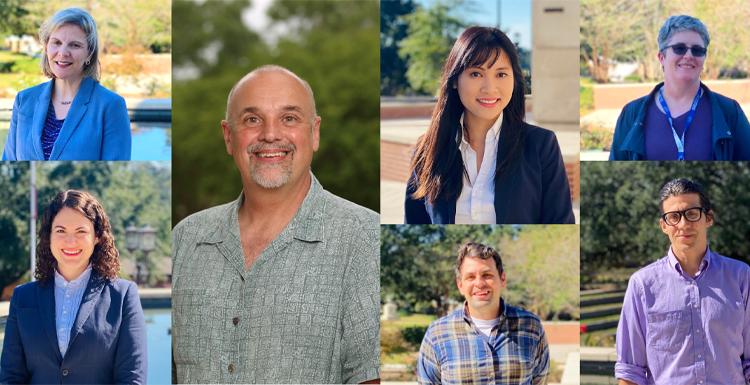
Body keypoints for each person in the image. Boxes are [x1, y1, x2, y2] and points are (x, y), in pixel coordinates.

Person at [171, 65, 380, 384]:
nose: (270, 134)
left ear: (315, 132)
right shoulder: (184, 240)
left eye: (289, 118)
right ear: (229, 136)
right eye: (252, 119)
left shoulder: (365, 238)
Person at [404, 26, 574, 224]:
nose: (490, 88)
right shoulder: (427, 151)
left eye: (501, 74)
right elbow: (414, 222)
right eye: (476, 74)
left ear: (515, 80)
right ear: (454, 81)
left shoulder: (541, 145)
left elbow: (561, 223)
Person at [0, 190, 147, 384]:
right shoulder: (23, 297)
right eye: (60, 231)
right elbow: (10, 377)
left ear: (97, 237)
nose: (70, 241)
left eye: (81, 231)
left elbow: (132, 377)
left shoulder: (123, 296)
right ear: (49, 236)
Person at [615, 178, 750, 385]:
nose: (684, 224)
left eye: (692, 214)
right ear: (663, 226)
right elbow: (630, 371)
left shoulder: (741, 276)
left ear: (709, 218)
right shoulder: (642, 285)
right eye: (674, 217)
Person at [609, 15, 750, 160]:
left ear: (704, 58)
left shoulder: (730, 112)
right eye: (679, 48)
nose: (689, 55)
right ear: (661, 57)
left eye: (697, 50)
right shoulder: (631, 114)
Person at [2, 7, 131, 161]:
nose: (63, 52)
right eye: (56, 42)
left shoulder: (111, 106)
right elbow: (9, 161)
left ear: (89, 53)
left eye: (75, 45)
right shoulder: (24, 100)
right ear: (46, 47)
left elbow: (114, 172)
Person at [417, 242, 549, 384]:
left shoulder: (531, 327)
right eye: (470, 277)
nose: (479, 283)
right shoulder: (437, 334)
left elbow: (540, 380)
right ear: (460, 285)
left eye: (487, 275)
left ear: (502, 279)